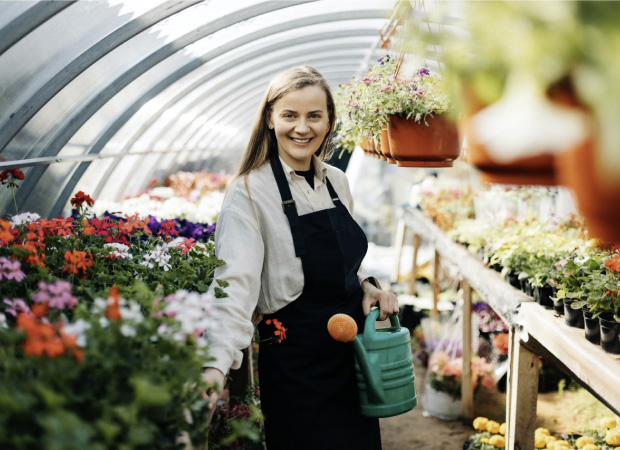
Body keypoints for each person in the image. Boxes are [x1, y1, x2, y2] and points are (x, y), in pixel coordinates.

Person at [201, 65, 398, 450]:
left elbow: (345, 265)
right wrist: (214, 366)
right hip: (297, 368)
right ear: (270, 119)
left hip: (352, 357)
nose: (302, 128)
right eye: (290, 115)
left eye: (314, 116)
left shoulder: (337, 182)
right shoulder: (249, 192)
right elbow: (234, 287)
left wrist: (368, 286)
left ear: (329, 122)